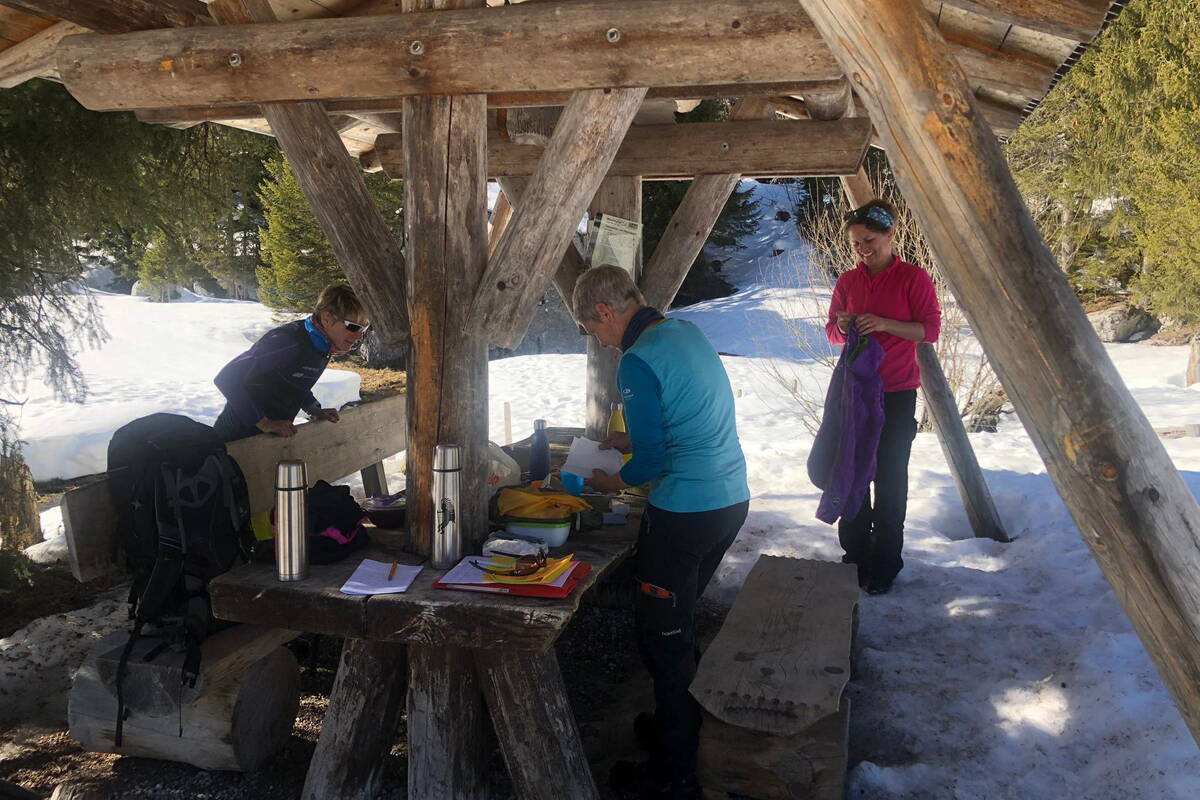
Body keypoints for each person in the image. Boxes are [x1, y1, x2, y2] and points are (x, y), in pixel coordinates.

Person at [575, 265, 749, 800]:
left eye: (591, 330)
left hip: (684, 514)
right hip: (730, 500)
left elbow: (652, 459)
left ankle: (676, 773)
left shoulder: (636, 359)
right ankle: (676, 726)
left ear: (606, 312)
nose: (598, 342)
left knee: (663, 639)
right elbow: (684, 418)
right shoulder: (684, 332)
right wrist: (625, 443)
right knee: (676, 624)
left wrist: (608, 478)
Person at [825, 199, 941, 595]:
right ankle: (854, 556)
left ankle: (886, 562)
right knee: (853, 473)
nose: (862, 248)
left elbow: (929, 331)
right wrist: (843, 325)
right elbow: (832, 336)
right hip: (854, 393)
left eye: (869, 240)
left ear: (891, 236)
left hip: (896, 393)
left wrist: (885, 324)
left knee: (890, 478)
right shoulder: (848, 281)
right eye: (856, 242)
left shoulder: (913, 278)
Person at [212, 284, 369, 442]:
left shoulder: (322, 345)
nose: (359, 336)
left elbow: (292, 381)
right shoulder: (286, 341)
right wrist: (264, 423)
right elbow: (226, 378)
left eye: (364, 329)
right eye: (353, 327)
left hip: (268, 441)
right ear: (327, 318)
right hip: (233, 440)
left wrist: (313, 408)